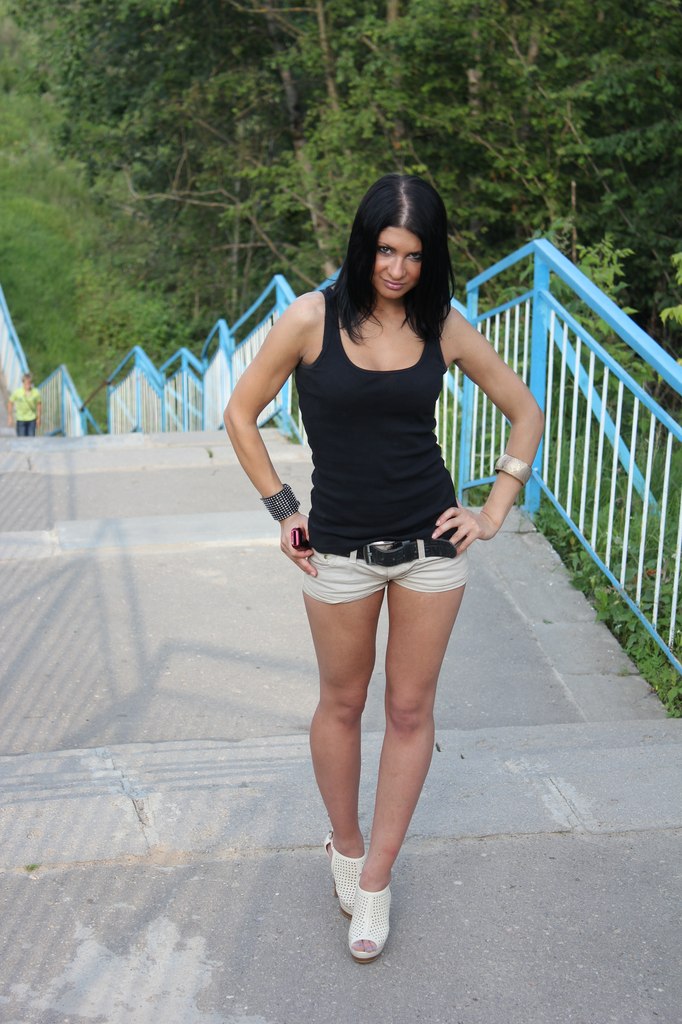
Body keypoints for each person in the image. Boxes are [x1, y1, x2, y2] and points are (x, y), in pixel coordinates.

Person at [224, 173, 544, 963]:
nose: (397, 268)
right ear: (363, 243)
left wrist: (492, 510)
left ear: (430, 257)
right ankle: (345, 843)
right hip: (337, 550)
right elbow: (240, 412)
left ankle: (376, 880)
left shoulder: (443, 326)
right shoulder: (311, 318)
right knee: (342, 702)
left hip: (431, 547)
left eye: (414, 254)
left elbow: (525, 409)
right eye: (385, 250)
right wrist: (283, 509)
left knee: (409, 710)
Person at [8, 373, 42, 437]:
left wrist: (39, 418)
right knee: (21, 439)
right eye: (26, 383)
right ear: (23, 383)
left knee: (31, 439)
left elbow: (39, 405)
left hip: (32, 419)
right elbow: (10, 402)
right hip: (20, 419)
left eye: (29, 382)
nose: (28, 384)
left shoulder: (36, 392)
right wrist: (10, 417)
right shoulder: (18, 392)